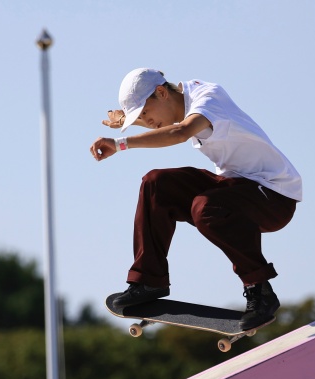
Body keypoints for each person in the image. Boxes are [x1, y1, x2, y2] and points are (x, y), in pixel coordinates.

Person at [90, 68, 302, 331]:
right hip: (234, 186)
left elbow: (179, 132)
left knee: (207, 207)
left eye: (146, 114)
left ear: (161, 92)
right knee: (156, 184)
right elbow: (169, 121)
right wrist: (130, 119)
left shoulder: (207, 99)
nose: (147, 121)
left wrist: (121, 143)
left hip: (274, 197)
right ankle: (149, 280)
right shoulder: (181, 100)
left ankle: (260, 289)